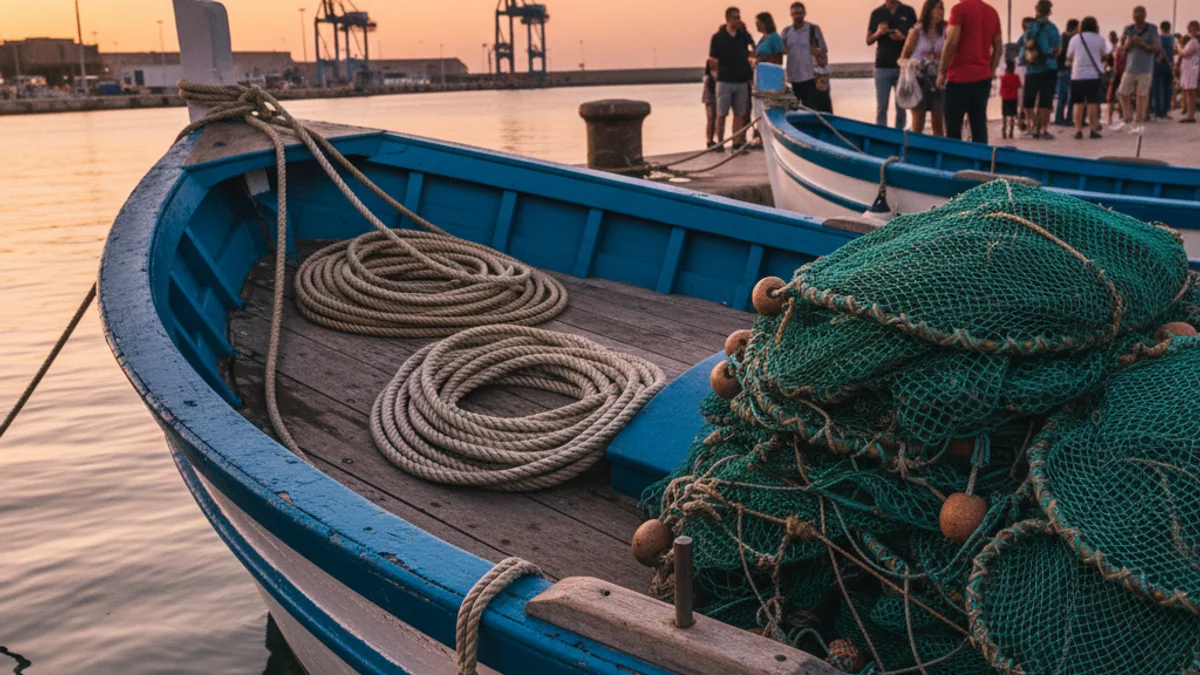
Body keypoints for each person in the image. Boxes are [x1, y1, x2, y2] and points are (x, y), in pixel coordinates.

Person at [937, 0, 1003, 143]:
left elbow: (951, 42)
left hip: (959, 78)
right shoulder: (992, 12)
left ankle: (955, 162)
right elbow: (998, 47)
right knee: (979, 124)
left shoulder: (959, 10)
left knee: (953, 127)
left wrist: (942, 72)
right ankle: (980, 161)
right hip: (983, 78)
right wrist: (990, 72)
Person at [709, 7, 756, 152]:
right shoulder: (718, 37)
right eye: (735, 17)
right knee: (721, 113)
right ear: (728, 19)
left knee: (740, 113)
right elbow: (713, 59)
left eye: (739, 17)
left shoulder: (743, 35)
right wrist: (717, 75)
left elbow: (754, 47)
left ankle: (737, 142)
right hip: (725, 80)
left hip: (741, 80)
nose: (738, 20)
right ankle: (720, 142)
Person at [867, 0, 918, 128]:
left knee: (901, 107)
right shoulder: (877, 13)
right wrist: (879, 33)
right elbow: (868, 40)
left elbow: (918, 38)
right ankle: (881, 137)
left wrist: (903, 38)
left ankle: (900, 137)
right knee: (882, 107)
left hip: (902, 67)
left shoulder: (908, 11)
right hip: (882, 66)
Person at [901, 0, 947, 135]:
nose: (941, 12)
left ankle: (939, 153)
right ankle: (913, 151)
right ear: (929, 10)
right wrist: (913, 64)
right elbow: (903, 57)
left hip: (938, 80)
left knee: (938, 122)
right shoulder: (917, 31)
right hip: (919, 79)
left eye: (942, 8)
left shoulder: (945, 30)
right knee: (918, 123)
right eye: (937, 8)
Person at [1114, 6, 1160, 135]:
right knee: (1122, 93)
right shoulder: (1129, 29)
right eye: (1135, 14)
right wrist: (1129, 43)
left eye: (1140, 14)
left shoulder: (1152, 29)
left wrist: (1141, 43)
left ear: (1145, 15)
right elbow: (1123, 50)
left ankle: (1139, 123)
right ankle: (1127, 118)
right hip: (1130, 68)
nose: (1137, 16)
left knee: (1142, 96)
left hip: (1145, 68)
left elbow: (1156, 48)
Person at [781, 2, 833, 112]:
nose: (797, 16)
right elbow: (781, 50)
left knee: (811, 110)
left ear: (804, 13)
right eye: (794, 13)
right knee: (792, 111)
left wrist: (817, 51)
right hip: (793, 78)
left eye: (800, 13)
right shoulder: (786, 32)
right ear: (791, 14)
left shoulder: (813, 29)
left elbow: (824, 49)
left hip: (810, 77)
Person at [1021, 1, 1062, 139]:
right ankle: (1043, 129)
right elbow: (1058, 49)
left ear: (1037, 10)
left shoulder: (1031, 27)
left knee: (1028, 101)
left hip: (1033, 68)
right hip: (1049, 67)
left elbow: (1025, 45)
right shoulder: (1053, 28)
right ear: (1049, 12)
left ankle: (1032, 125)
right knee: (1045, 101)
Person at [1066, 15, 1110, 139]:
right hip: (1093, 75)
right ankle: (1093, 130)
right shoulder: (1100, 39)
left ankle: (1078, 130)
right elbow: (1105, 55)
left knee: (1078, 104)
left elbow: (1069, 56)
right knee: (1092, 103)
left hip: (1077, 75)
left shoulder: (1075, 39)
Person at [1054, 18, 1080, 126]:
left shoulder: (1062, 38)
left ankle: (1061, 118)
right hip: (1066, 69)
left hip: (1062, 69)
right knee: (1066, 96)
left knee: (1064, 96)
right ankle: (1065, 119)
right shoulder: (1068, 39)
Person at [1153, 20, 1176, 119]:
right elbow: (1174, 51)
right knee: (1167, 89)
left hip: (1159, 66)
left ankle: (1159, 111)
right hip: (1169, 66)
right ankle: (1166, 110)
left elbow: (1158, 51)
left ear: (1161, 28)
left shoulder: (1159, 38)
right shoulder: (1172, 39)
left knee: (1158, 89)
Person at [1179, 23, 1200, 123]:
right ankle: (1189, 113)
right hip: (1189, 68)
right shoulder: (1191, 41)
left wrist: (1180, 52)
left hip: (1191, 69)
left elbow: (1186, 53)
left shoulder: (1194, 42)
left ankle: (1190, 115)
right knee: (1188, 92)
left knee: (1190, 91)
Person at [1107, 29, 1126, 126]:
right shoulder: (1127, 51)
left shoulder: (1115, 50)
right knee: (1122, 97)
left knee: (1111, 98)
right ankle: (1121, 116)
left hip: (1115, 74)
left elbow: (1111, 63)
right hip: (1124, 75)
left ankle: (1109, 119)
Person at [1001, 59, 1021, 138]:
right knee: (1012, 115)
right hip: (1013, 97)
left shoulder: (1003, 77)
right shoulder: (1016, 77)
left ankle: (1004, 130)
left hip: (1005, 97)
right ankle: (1011, 131)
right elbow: (1019, 85)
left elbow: (1002, 86)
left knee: (1004, 114)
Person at [702, 61, 718, 149]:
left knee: (714, 120)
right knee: (710, 120)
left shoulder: (718, 74)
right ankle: (709, 140)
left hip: (715, 99)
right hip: (709, 99)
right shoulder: (708, 77)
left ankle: (712, 139)